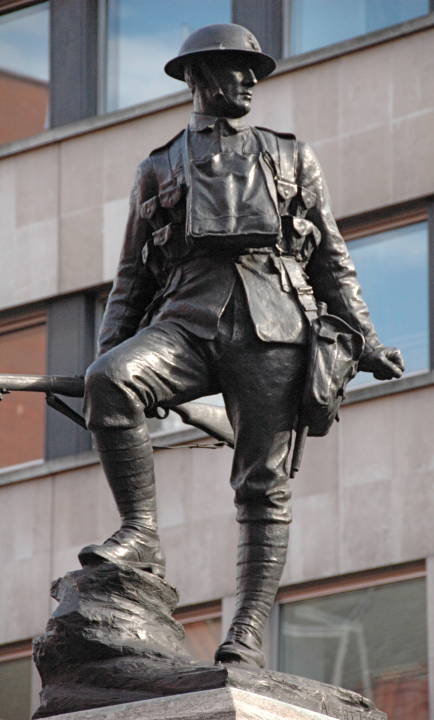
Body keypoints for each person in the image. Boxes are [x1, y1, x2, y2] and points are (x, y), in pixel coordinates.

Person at [80, 24, 404, 668]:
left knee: (264, 486)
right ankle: (140, 533)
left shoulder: (291, 156)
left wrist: (364, 339)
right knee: (114, 380)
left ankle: (248, 631)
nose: (251, 81)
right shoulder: (159, 165)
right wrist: (98, 361)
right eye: (236, 69)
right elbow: (131, 278)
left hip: (276, 321)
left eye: (254, 70)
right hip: (186, 316)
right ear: (199, 76)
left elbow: (333, 259)